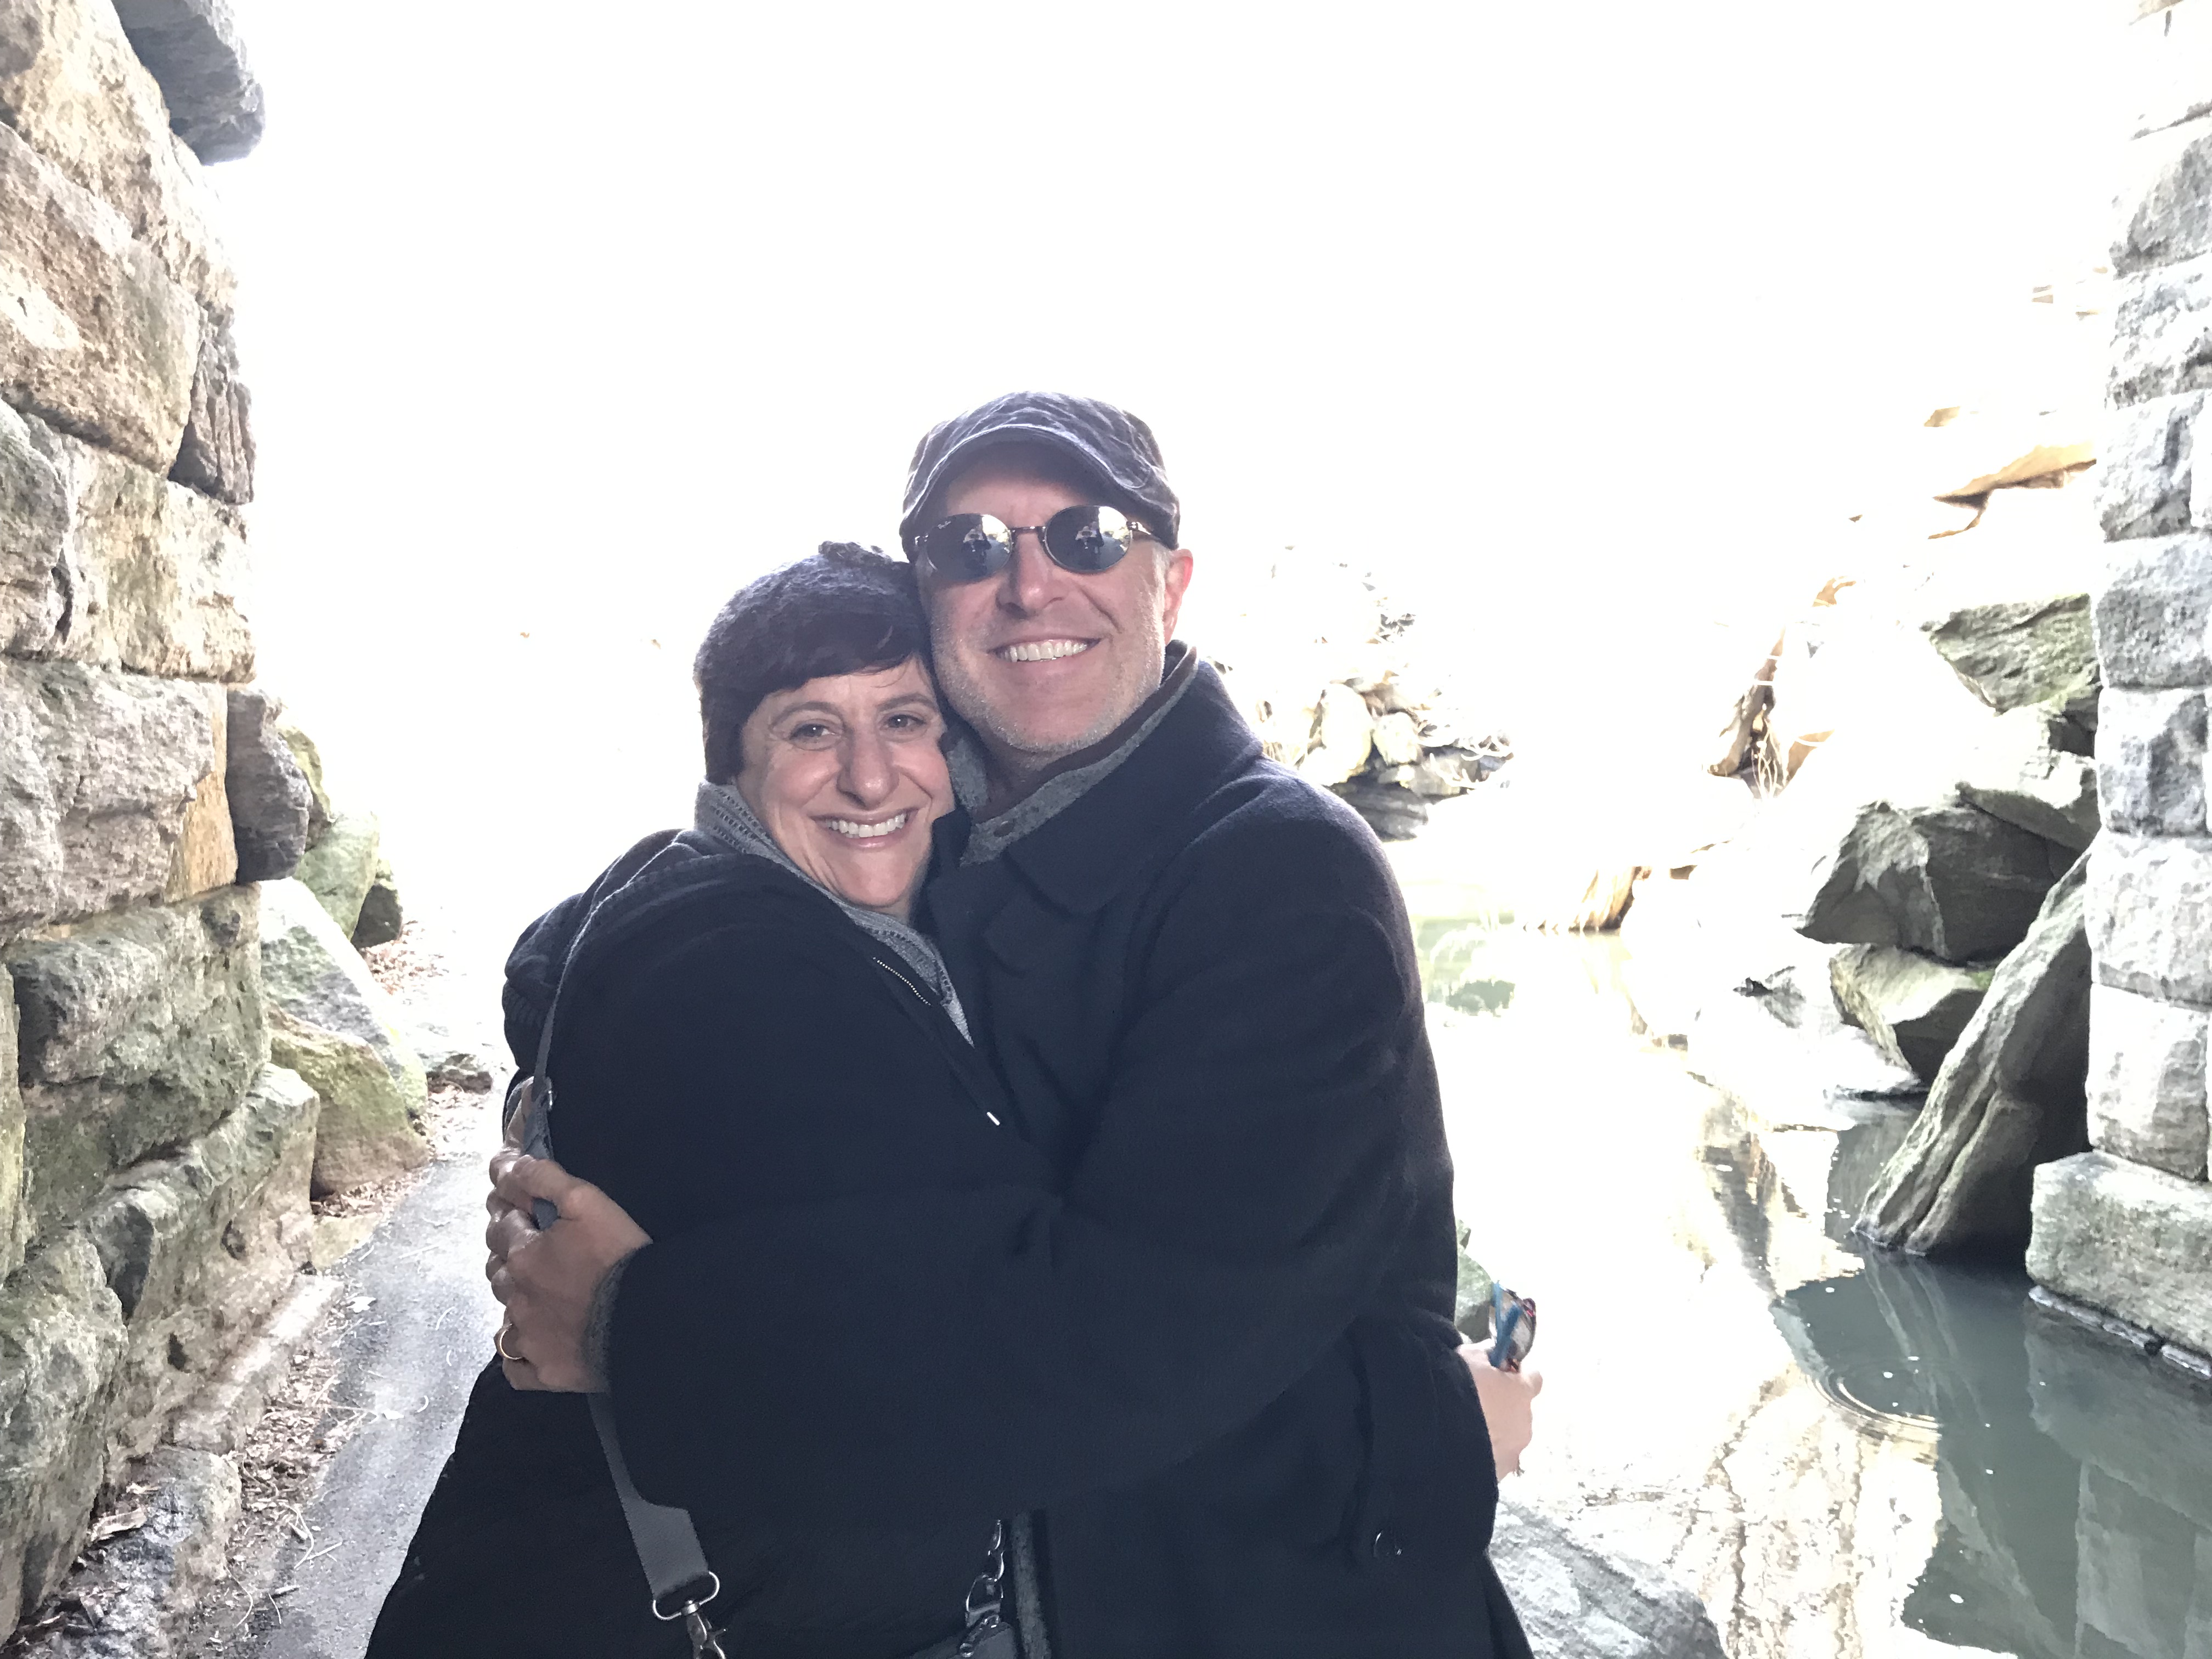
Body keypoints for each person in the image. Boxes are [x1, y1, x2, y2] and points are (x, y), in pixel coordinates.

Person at [487, 393, 1541, 1657]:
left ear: (1172, 582)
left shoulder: (1281, 878)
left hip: (1264, 1608)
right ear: (928, 599)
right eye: (971, 546)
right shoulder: (920, 850)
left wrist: (634, 1327)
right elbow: (653, 970)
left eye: (1088, 534)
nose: (1031, 584)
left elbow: (1132, 1339)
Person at [368, 545, 1048, 1656]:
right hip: (683, 1610)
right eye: (811, 729)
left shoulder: (730, 906)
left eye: (905, 720)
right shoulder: (735, 985)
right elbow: (959, 1340)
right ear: (733, 765)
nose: (870, 777)